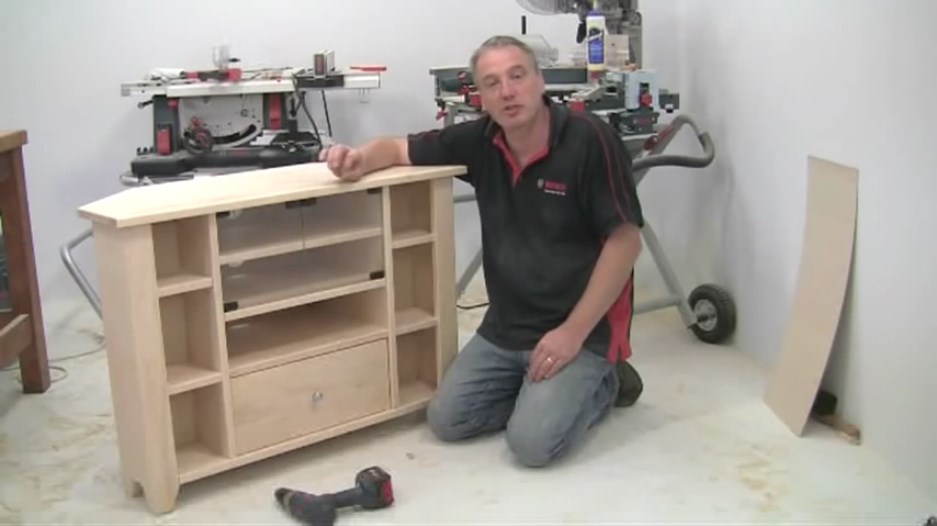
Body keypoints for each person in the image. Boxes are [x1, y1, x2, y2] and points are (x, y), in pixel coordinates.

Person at [319, 35, 645, 467]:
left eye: (517, 76)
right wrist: (358, 158)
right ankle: (540, 393)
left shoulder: (590, 139)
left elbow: (626, 243)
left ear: (539, 81)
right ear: (481, 98)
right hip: (508, 325)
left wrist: (572, 333)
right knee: (448, 421)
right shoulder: (481, 140)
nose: (507, 91)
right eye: (492, 83)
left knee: (530, 446)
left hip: (581, 330)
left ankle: (606, 382)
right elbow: (397, 148)